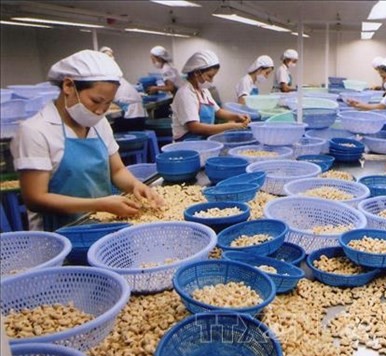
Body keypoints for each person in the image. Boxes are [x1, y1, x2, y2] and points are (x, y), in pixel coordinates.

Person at [10, 50, 161, 231]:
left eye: (108, 103)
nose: (100, 110)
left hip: (101, 224)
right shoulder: (36, 131)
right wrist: (99, 205)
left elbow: (117, 170)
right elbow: (35, 199)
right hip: (58, 235)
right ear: (68, 86)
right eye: (96, 101)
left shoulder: (99, 123)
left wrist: (136, 185)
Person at [171, 50, 250, 141]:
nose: (211, 81)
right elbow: (194, 127)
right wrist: (230, 126)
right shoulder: (185, 94)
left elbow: (218, 111)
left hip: (204, 140)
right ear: (196, 73)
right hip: (187, 144)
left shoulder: (204, 91)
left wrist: (237, 116)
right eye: (209, 76)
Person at [99, 46, 147, 132]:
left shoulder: (110, 77)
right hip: (137, 115)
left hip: (131, 116)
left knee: (111, 131)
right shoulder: (116, 75)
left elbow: (105, 98)